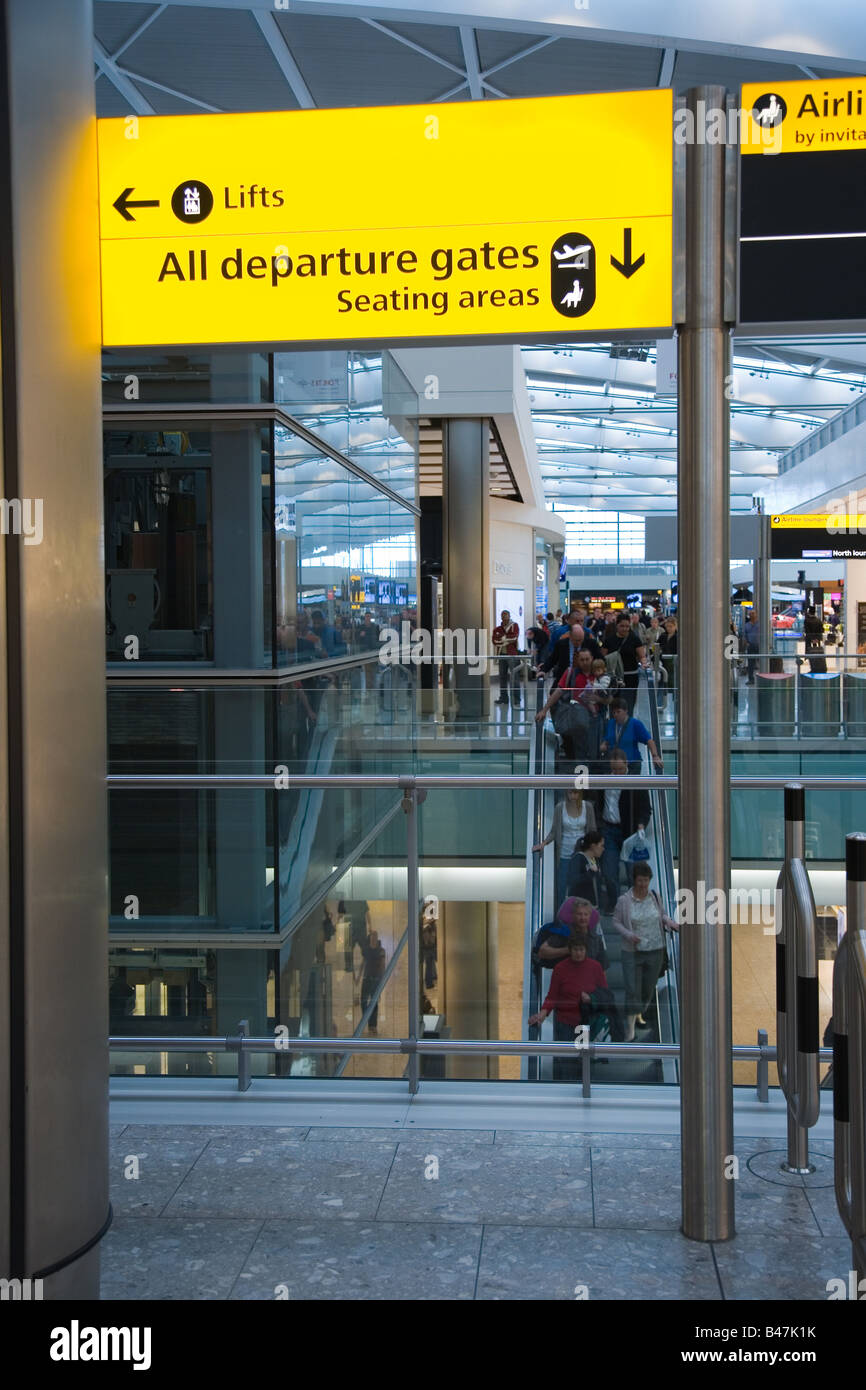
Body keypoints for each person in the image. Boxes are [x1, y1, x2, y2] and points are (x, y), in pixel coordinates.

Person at [610, 862, 679, 1040]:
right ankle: (630, 1029)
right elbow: (616, 922)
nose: (643, 884)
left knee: (648, 988)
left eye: (646, 880)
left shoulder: (655, 896)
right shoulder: (624, 901)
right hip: (632, 951)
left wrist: (669, 922)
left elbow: (661, 914)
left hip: (655, 949)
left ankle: (639, 1013)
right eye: (640, 880)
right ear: (634, 880)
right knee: (632, 989)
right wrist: (628, 934)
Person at [527, 932, 610, 1078]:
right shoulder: (560, 969)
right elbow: (552, 996)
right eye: (575, 950)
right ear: (570, 950)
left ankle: (583, 1087)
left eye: (581, 950)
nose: (578, 953)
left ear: (586, 950)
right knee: (567, 1059)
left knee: (583, 1060)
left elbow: (605, 994)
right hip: (565, 1023)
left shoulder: (595, 967)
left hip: (585, 1023)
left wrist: (591, 998)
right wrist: (542, 1014)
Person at [599, 749, 652, 910]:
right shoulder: (603, 780)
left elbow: (645, 809)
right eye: (614, 770)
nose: (617, 773)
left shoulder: (635, 782)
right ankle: (615, 904)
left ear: (627, 765)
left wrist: (641, 824)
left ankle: (633, 906)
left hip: (629, 832)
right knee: (609, 871)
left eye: (620, 769)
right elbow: (598, 801)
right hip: (609, 829)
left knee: (632, 872)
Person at [532, 788, 597, 904]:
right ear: (566, 793)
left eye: (575, 793)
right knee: (562, 887)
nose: (573, 796)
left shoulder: (587, 807)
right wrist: (543, 843)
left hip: (582, 855)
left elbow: (592, 831)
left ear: (580, 793)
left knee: (582, 888)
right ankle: (562, 916)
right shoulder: (560, 807)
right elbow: (554, 831)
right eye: (570, 793)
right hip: (565, 854)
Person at [600, 698, 663, 774]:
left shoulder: (635, 724)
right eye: (614, 712)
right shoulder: (611, 723)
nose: (615, 715)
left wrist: (655, 756)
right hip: (615, 765)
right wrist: (604, 744)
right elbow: (607, 739)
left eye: (618, 712)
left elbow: (649, 741)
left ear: (626, 711)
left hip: (632, 765)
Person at [602, 615, 647, 713]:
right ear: (617, 626)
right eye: (622, 626)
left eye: (627, 626)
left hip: (631, 677)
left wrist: (644, 663)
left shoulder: (634, 639)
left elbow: (642, 656)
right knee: (614, 706)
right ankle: (614, 725)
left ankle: (627, 725)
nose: (625, 629)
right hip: (614, 677)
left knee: (628, 705)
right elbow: (603, 658)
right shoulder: (609, 640)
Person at [567, 828, 605, 908]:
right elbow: (573, 881)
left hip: (593, 907)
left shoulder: (595, 860)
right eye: (601, 846)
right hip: (579, 909)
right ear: (593, 846)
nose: (603, 849)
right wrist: (590, 873)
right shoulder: (578, 859)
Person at [358, 929, 387, 1032]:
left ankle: (373, 1025)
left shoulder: (381, 950)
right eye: (372, 936)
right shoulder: (366, 950)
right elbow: (363, 963)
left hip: (375, 979)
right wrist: (358, 977)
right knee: (363, 1001)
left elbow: (383, 965)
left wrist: (382, 979)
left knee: (374, 1002)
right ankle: (367, 1019)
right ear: (370, 938)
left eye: (375, 936)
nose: (373, 938)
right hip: (366, 978)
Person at [493, 608, 520, 705]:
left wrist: (503, 639)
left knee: (515, 677)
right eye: (502, 615)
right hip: (501, 655)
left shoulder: (515, 626)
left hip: (512, 655)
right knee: (502, 677)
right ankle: (503, 698)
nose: (504, 617)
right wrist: (505, 640)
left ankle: (516, 699)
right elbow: (495, 641)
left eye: (506, 615)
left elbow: (514, 637)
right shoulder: (497, 629)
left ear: (509, 616)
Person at [804, 605, 827, 673]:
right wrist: (817, 638)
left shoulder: (807, 620)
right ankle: (818, 666)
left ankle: (813, 667)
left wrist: (811, 639)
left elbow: (807, 631)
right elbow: (822, 630)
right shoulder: (818, 620)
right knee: (818, 653)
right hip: (817, 640)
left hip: (809, 640)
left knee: (810, 653)